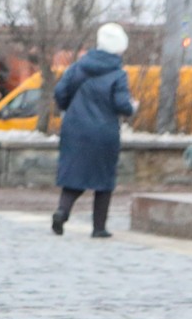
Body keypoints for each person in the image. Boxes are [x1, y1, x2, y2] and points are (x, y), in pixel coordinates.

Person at [52, 22, 135, 238]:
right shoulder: (118, 74)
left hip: (74, 128)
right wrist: (132, 107)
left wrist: (69, 108)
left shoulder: (78, 67)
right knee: (104, 179)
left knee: (74, 173)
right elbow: (122, 105)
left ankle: (62, 212)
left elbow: (60, 91)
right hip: (104, 131)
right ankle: (99, 227)